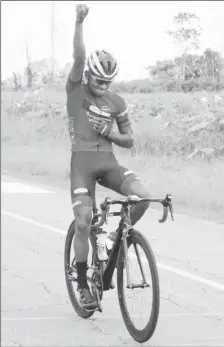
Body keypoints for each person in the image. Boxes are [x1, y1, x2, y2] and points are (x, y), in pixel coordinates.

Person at [66, 4, 151, 310]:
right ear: (88, 75)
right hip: (82, 165)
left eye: (108, 82)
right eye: (99, 81)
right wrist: (79, 22)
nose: (103, 87)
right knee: (83, 221)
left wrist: (111, 133)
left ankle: (116, 239)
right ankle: (82, 281)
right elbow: (77, 56)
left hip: (109, 164)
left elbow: (130, 140)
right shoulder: (76, 90)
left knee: (142, 198)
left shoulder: (116, 102)